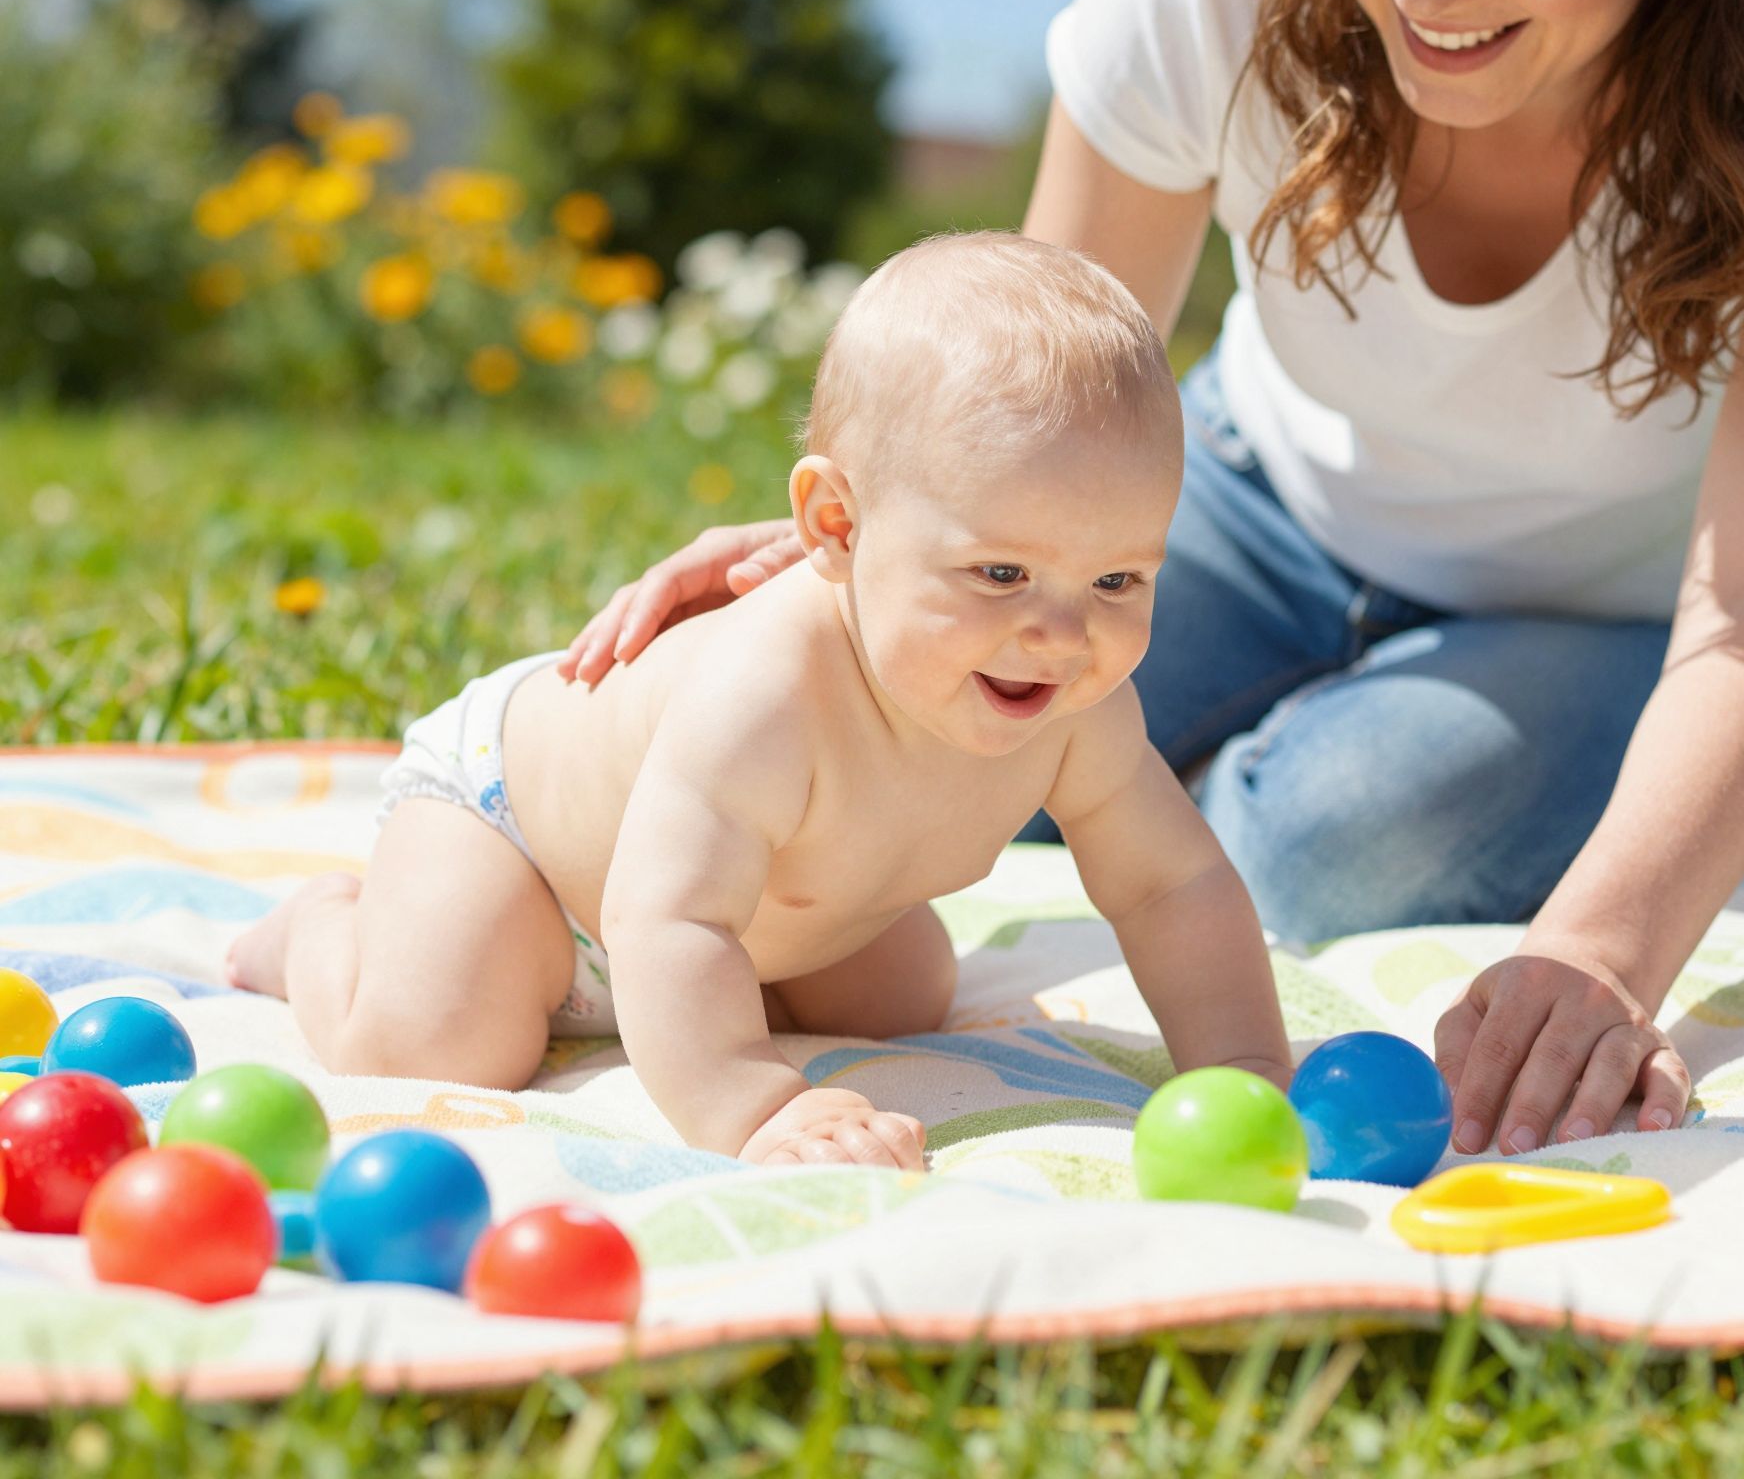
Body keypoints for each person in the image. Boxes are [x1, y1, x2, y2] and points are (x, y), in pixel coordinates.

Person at [559, 0, 1744, 1161]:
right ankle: (1133, 777)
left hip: (1580, 623)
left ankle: (1162, 785)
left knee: (1319, 846)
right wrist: (884, 563)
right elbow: (1014, 397)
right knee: (926, 696)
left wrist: (1604, 947)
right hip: (1231, 519)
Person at [227, 233, 1293, 1167]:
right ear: (835, 527)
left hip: (745, 911)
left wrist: (1247, 1067)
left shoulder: (1076, 705)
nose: (1061, 635)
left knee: (903, 1001)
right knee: (442, 1040)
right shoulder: (763, 691)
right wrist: (754, 1108)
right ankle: (320, 930)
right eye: (999, 575)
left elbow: (1172, 888)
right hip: (530, 842)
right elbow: (666, 913)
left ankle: (722, 996)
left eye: (1117, 581)